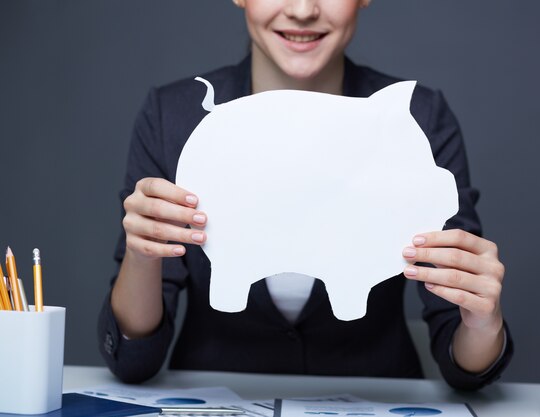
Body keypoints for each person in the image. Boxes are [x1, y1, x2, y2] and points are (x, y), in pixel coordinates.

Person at [98, 0, 513, 390]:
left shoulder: (417, 118)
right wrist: (143, 253)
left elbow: (464, 363)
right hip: (214, 395)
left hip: (373, 394)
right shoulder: (174, 118)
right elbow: (134, 359)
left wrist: (481, 322)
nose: (302, 10)